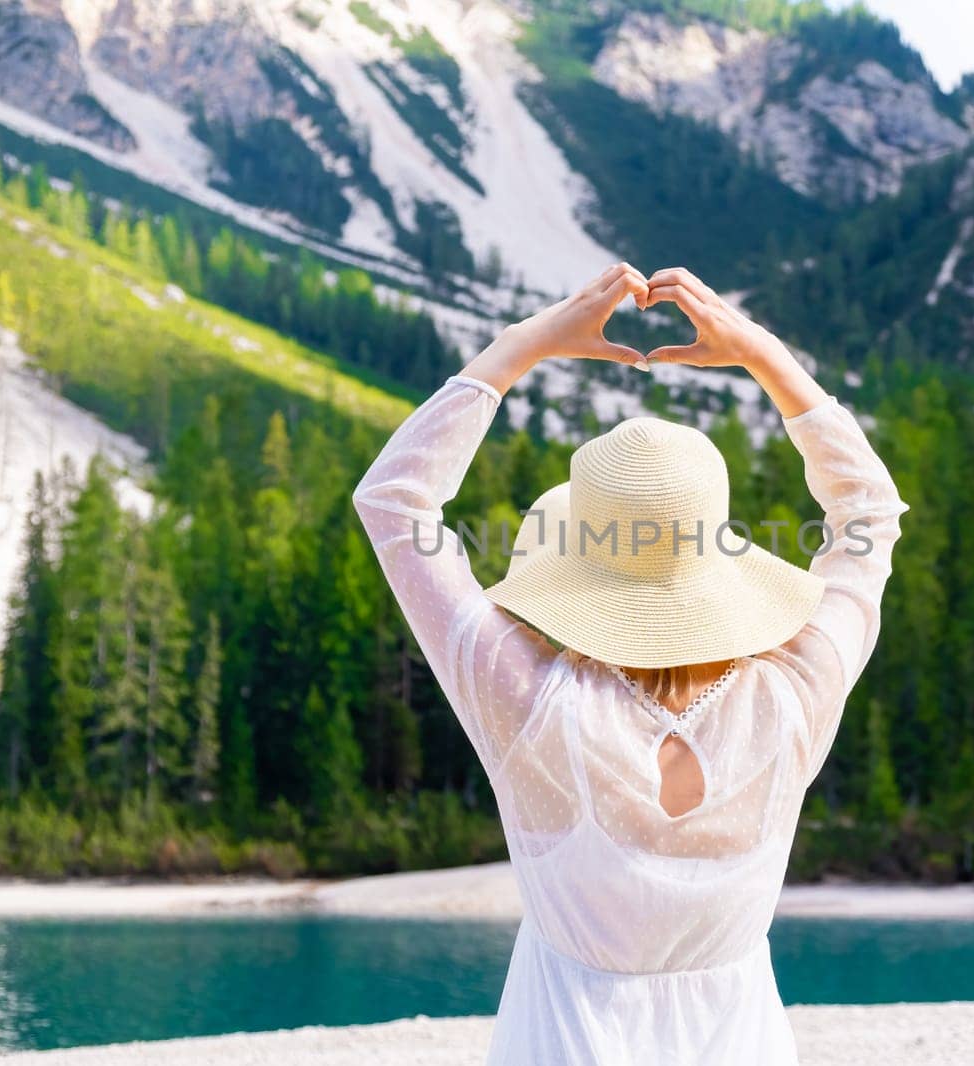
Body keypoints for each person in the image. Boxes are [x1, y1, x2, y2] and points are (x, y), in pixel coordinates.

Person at [352, 264, 908, 1065]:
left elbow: (395, 504)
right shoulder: (794, 693)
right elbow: (868, 516)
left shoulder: (530, 701)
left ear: (576, 563)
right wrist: (763, 357)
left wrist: (520, 348)